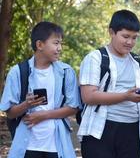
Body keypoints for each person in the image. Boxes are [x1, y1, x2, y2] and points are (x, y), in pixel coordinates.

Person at [0, 21, 80, 158]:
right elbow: (10, 113)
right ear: (40, 45)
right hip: (27, 145)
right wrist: (27, 104)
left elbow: (73, 107)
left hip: (57, 145)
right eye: (56, 43)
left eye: (61, 43)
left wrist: (42, 116)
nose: (60, 48)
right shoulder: (18, 72)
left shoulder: (67, 72)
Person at [77, 9, 140, 158]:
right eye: (125, 36)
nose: (130, 42)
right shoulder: (96, 58)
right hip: (101, 129)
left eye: (134, 37)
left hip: (132, 130)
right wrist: (125, 96)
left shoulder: (138, 62)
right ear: (111, 32)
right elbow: (88, 97)